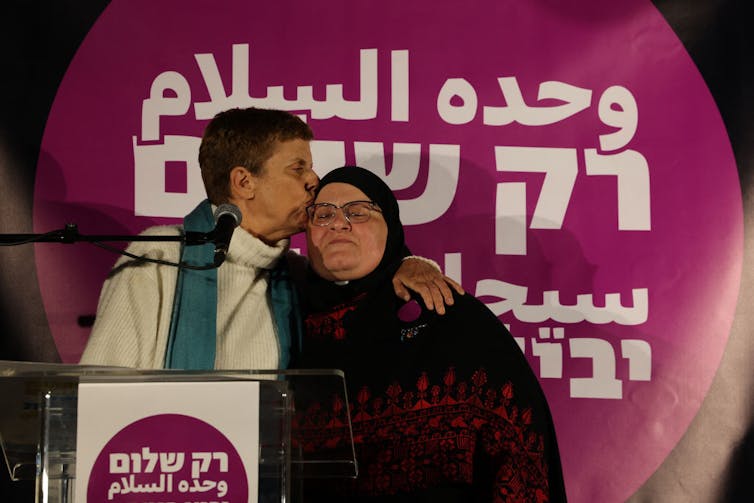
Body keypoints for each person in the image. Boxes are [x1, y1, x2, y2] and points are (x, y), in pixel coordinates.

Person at [80, 108, 460, 370]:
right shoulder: (160, 256)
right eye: (298, 168)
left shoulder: (296, 273)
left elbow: (368, 286)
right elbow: (100, 391)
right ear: (244, 182)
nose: (314, 180)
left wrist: (413, 263)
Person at [294, 166, 567, 502]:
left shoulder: (446, 315)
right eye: (323, 214)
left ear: (391, 228)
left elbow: (520, 442)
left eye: (358, 211)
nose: (339, 222)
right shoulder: (285, 320)